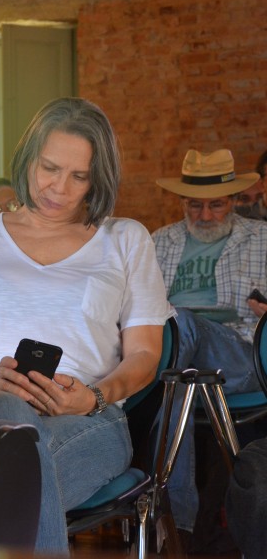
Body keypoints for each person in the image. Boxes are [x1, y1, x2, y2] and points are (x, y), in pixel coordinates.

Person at [0, 97, 173, 552]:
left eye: (79, 176)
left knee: (5, 472)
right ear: (27, 159)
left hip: (89, 420)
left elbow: (144, 355)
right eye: (49, 168)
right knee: (14, 424)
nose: (59, 188)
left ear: (98, 179)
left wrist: (93, 397)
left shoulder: (125, 238)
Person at [152, 148, 267, 540]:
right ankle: (181, 526)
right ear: (181, 201)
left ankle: (172, 517)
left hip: (240, 354)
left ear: (234, 200)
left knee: (178, 327)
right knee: (179, 381)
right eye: (193, 205)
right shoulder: (159, 242)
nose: (203, 216)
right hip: (179, 360)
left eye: (215, 205)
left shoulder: (263, 239)